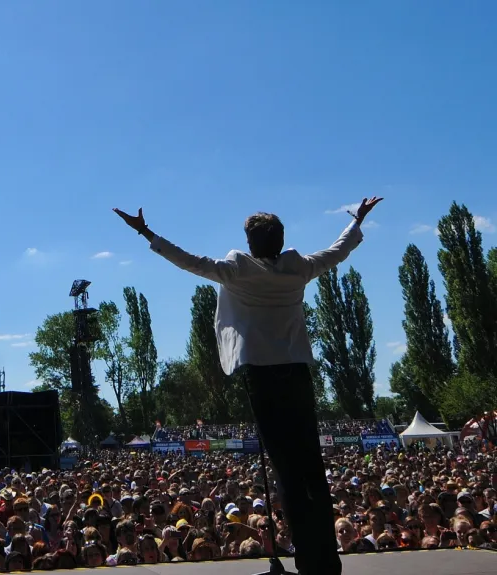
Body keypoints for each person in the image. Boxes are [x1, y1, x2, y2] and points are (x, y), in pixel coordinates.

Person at [113, 196, 384, 575]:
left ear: (251, 243)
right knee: (311, 465)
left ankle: (307, 558)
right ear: (280, 238)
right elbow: (337, 252)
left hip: (263, 377)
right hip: (298, 374)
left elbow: (189, 261)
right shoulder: (299, 267)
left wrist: (145, 232)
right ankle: (325, 559)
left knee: (287, 470)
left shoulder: (237, 271)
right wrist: (356, 221)